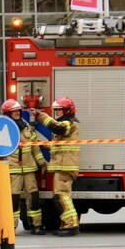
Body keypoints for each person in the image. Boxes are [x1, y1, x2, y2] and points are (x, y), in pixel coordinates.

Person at [35, 97, 80, 236]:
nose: (57, 113)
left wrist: (40, 115)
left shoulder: (69, 123)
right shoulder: (67, 124)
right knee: (60, 197)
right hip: (63, 166)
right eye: (56, 110)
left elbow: (57, 128)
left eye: (59, 110)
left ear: (67, 111)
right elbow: (58, 146)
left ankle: (71, 225)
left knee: (62, 196)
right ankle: (67, 224)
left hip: (65, 167)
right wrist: (42, 144)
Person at [2, 99, 47, 235]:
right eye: (13, 111)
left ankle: (36, 224)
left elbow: (34, 148)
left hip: (29, 168)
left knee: (33, 197)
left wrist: (42, 163)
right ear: (7, 114)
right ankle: (11, 227)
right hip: (13, 169)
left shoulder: (26, 126)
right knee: (14, 199)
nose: (17, 113)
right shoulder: (3, 129)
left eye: (18, 111)